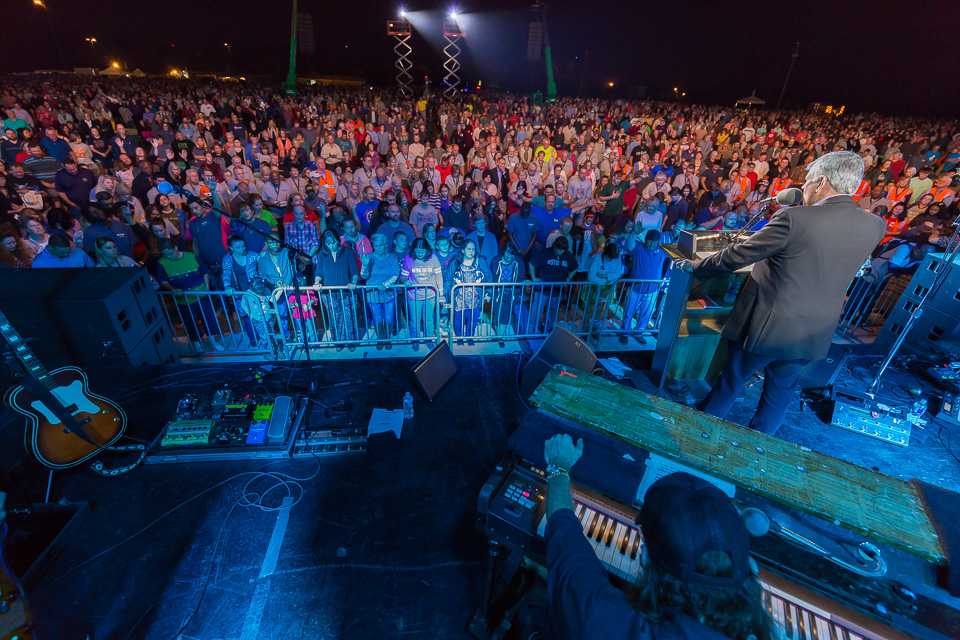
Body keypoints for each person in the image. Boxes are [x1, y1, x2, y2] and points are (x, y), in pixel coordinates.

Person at [676, 151, 886, 436]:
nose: (806, 189)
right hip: (814, 329)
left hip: (768, 324)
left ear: (822, 181)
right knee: (780, 393)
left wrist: (695, 266)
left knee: (732, 381)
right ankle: (758, 445)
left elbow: (739, 254)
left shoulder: (795, 218)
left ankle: (698, 432)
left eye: (809, 181)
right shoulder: (874, 225)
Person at [542, 434, 772, 640]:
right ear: (747, 567)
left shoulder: (605, 622)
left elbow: (567, 548)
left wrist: (558, 468)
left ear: (644, 558)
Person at [155, 238, 225, 352]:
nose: (168, 256)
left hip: (200, 294)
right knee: (190, 321)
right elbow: (163, 280)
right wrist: (172, 288)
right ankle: (197, 344)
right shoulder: (161, 262)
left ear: (175, 248)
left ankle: (213, 341)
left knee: (208, 318)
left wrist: (207, 286)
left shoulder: (190, 256)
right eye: (165, 254)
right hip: (183, 298)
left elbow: (204, 270)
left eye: (169, 253)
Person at [620, 230, 670, 345]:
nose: (652, 244)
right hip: (635, 288)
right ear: (646, 240)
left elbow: (675, 247)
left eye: (655, 242)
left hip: (652, 290)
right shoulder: (638, 247)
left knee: (646, 313)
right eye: (650, 241)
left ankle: (638, 332)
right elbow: (629, 243)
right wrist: (634, 233)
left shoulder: (662, 250)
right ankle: (624, 333)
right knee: (628, 312)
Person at [316, 230, 360, 351]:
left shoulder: (346, 252)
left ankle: (351, 341)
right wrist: (316, 283)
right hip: (330, 294)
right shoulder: (322, 254)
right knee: (334, 319)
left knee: (349, 317)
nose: (332, 245)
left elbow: (354, 271)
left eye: (334, 242)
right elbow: (319, 272)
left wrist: (354, 282)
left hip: (346, 292)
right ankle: (338, 342)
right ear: (324, 243)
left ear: (338, 240)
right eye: (328, 243)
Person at [400, 238, 444, 350]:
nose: (420, 254)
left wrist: (441, 293)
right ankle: (415, 340)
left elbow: (439, 277)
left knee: (428, 319)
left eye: (422, 252)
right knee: (414, 319)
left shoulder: (433, 258)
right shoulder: (408, 259)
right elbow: (403, 277)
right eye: (417, 252)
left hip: (430, 294)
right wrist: (406, 281)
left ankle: (429, 339)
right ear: (413, 250)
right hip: (413, 295)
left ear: (427, 250)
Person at [528, 235, 577, 334]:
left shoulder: (568, 255)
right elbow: (531, 264)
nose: (559, 252)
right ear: (554, 246)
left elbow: (575, 267)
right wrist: (534, 278)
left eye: (562, 250)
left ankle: (548, 328)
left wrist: (569, 278)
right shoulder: (547, 253)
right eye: (558, 249)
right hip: (543, 288)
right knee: (536, 310)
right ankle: (531, 328)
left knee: (552, 311)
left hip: (557, 290)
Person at [360, 232, 401, 351]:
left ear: (385, 245)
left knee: (389, 317)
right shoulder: (369, 257)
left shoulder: (392, 257)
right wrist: (365, 265)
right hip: (373, 294)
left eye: (381, 245)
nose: (379, 248)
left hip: (388, 294)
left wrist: (385, 284)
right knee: (377, 317)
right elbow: (364, 276)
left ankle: (386, 338)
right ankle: (380, 338)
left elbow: (395, 275)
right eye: (376, 245)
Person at [449, 238, 493, 341]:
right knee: (458, 320)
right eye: (469, 249)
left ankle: (470, 337)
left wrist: (489, 292)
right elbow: (448, 279)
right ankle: (459, 337)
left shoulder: (480, 261)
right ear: (463, 250)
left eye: (473, 249)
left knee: (473, 320)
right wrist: (446, 295)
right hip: (459, 299)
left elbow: (489, 277)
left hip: (476, 298)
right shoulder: (456, 262)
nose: (471, 251)